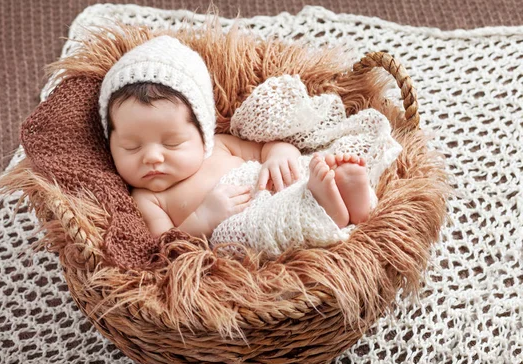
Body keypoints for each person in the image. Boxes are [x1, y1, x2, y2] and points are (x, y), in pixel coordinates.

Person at [98, 35, 389, 257]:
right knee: (259, 229)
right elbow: (164, 248)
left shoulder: (221, 147)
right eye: (131, 147)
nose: (152, 157)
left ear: (202, 133)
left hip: (282, 185)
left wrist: (278, 155)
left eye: (172, 142)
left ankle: (349, 194)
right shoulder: (147, 199)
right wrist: (204, 218)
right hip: (244, 225)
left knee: (303, 167)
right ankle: (330, 210)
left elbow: (265, 149)